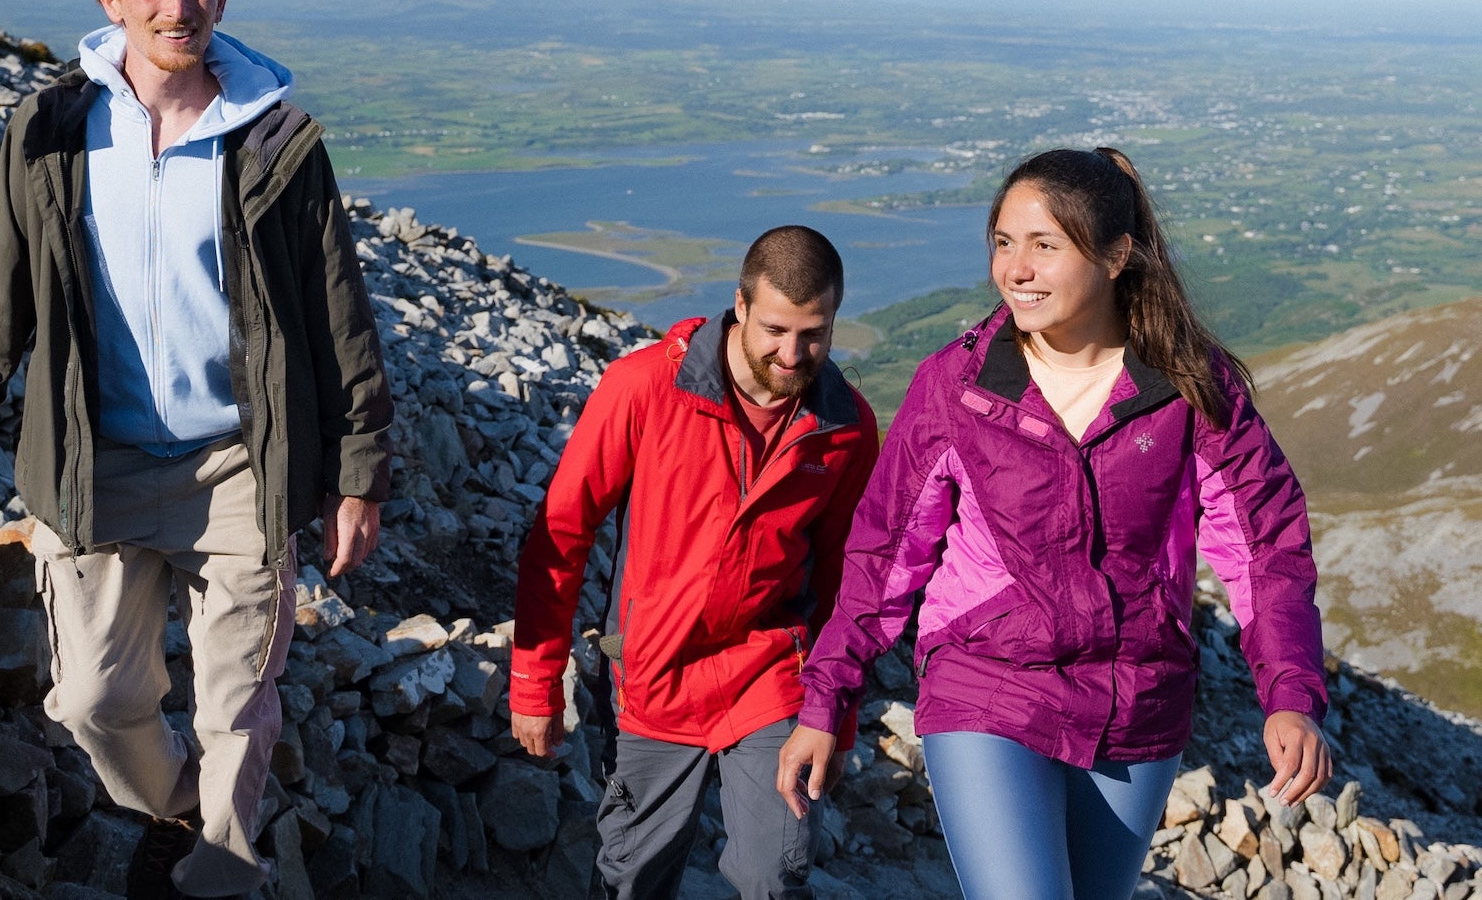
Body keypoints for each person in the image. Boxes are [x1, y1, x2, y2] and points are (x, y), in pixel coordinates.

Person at [0, 0, 392, 900]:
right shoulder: (52, 130)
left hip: (240, 465)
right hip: (99, 461)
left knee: (236, 708)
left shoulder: (277, 142)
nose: (177, 7)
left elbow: (337, 318)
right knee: (92, 699)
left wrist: (357, 474)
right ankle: (179, 807)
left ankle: (215, 877)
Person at [777, 148, 1331, 900]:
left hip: (1137, 700)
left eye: (1045, 245)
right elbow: (884, 553)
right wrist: (826, 698)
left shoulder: (1190, 388)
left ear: (1115, 255)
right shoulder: (958, 386)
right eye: (1004, 243)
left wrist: (1290, 694)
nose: (1016, 269)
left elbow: (1265, 548)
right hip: (985, 682)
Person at [512, 226, 882, 900]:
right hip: (653, 671)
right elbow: (562, 533)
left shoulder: (847, 426)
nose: (793, 354)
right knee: (633, 880)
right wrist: (535, 681)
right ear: (739, 305)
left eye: (814, 334)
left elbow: (844, 577)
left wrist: (837, 713)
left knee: (775, 875)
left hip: (771, 673)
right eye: (775, 329)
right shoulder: (645, 387)